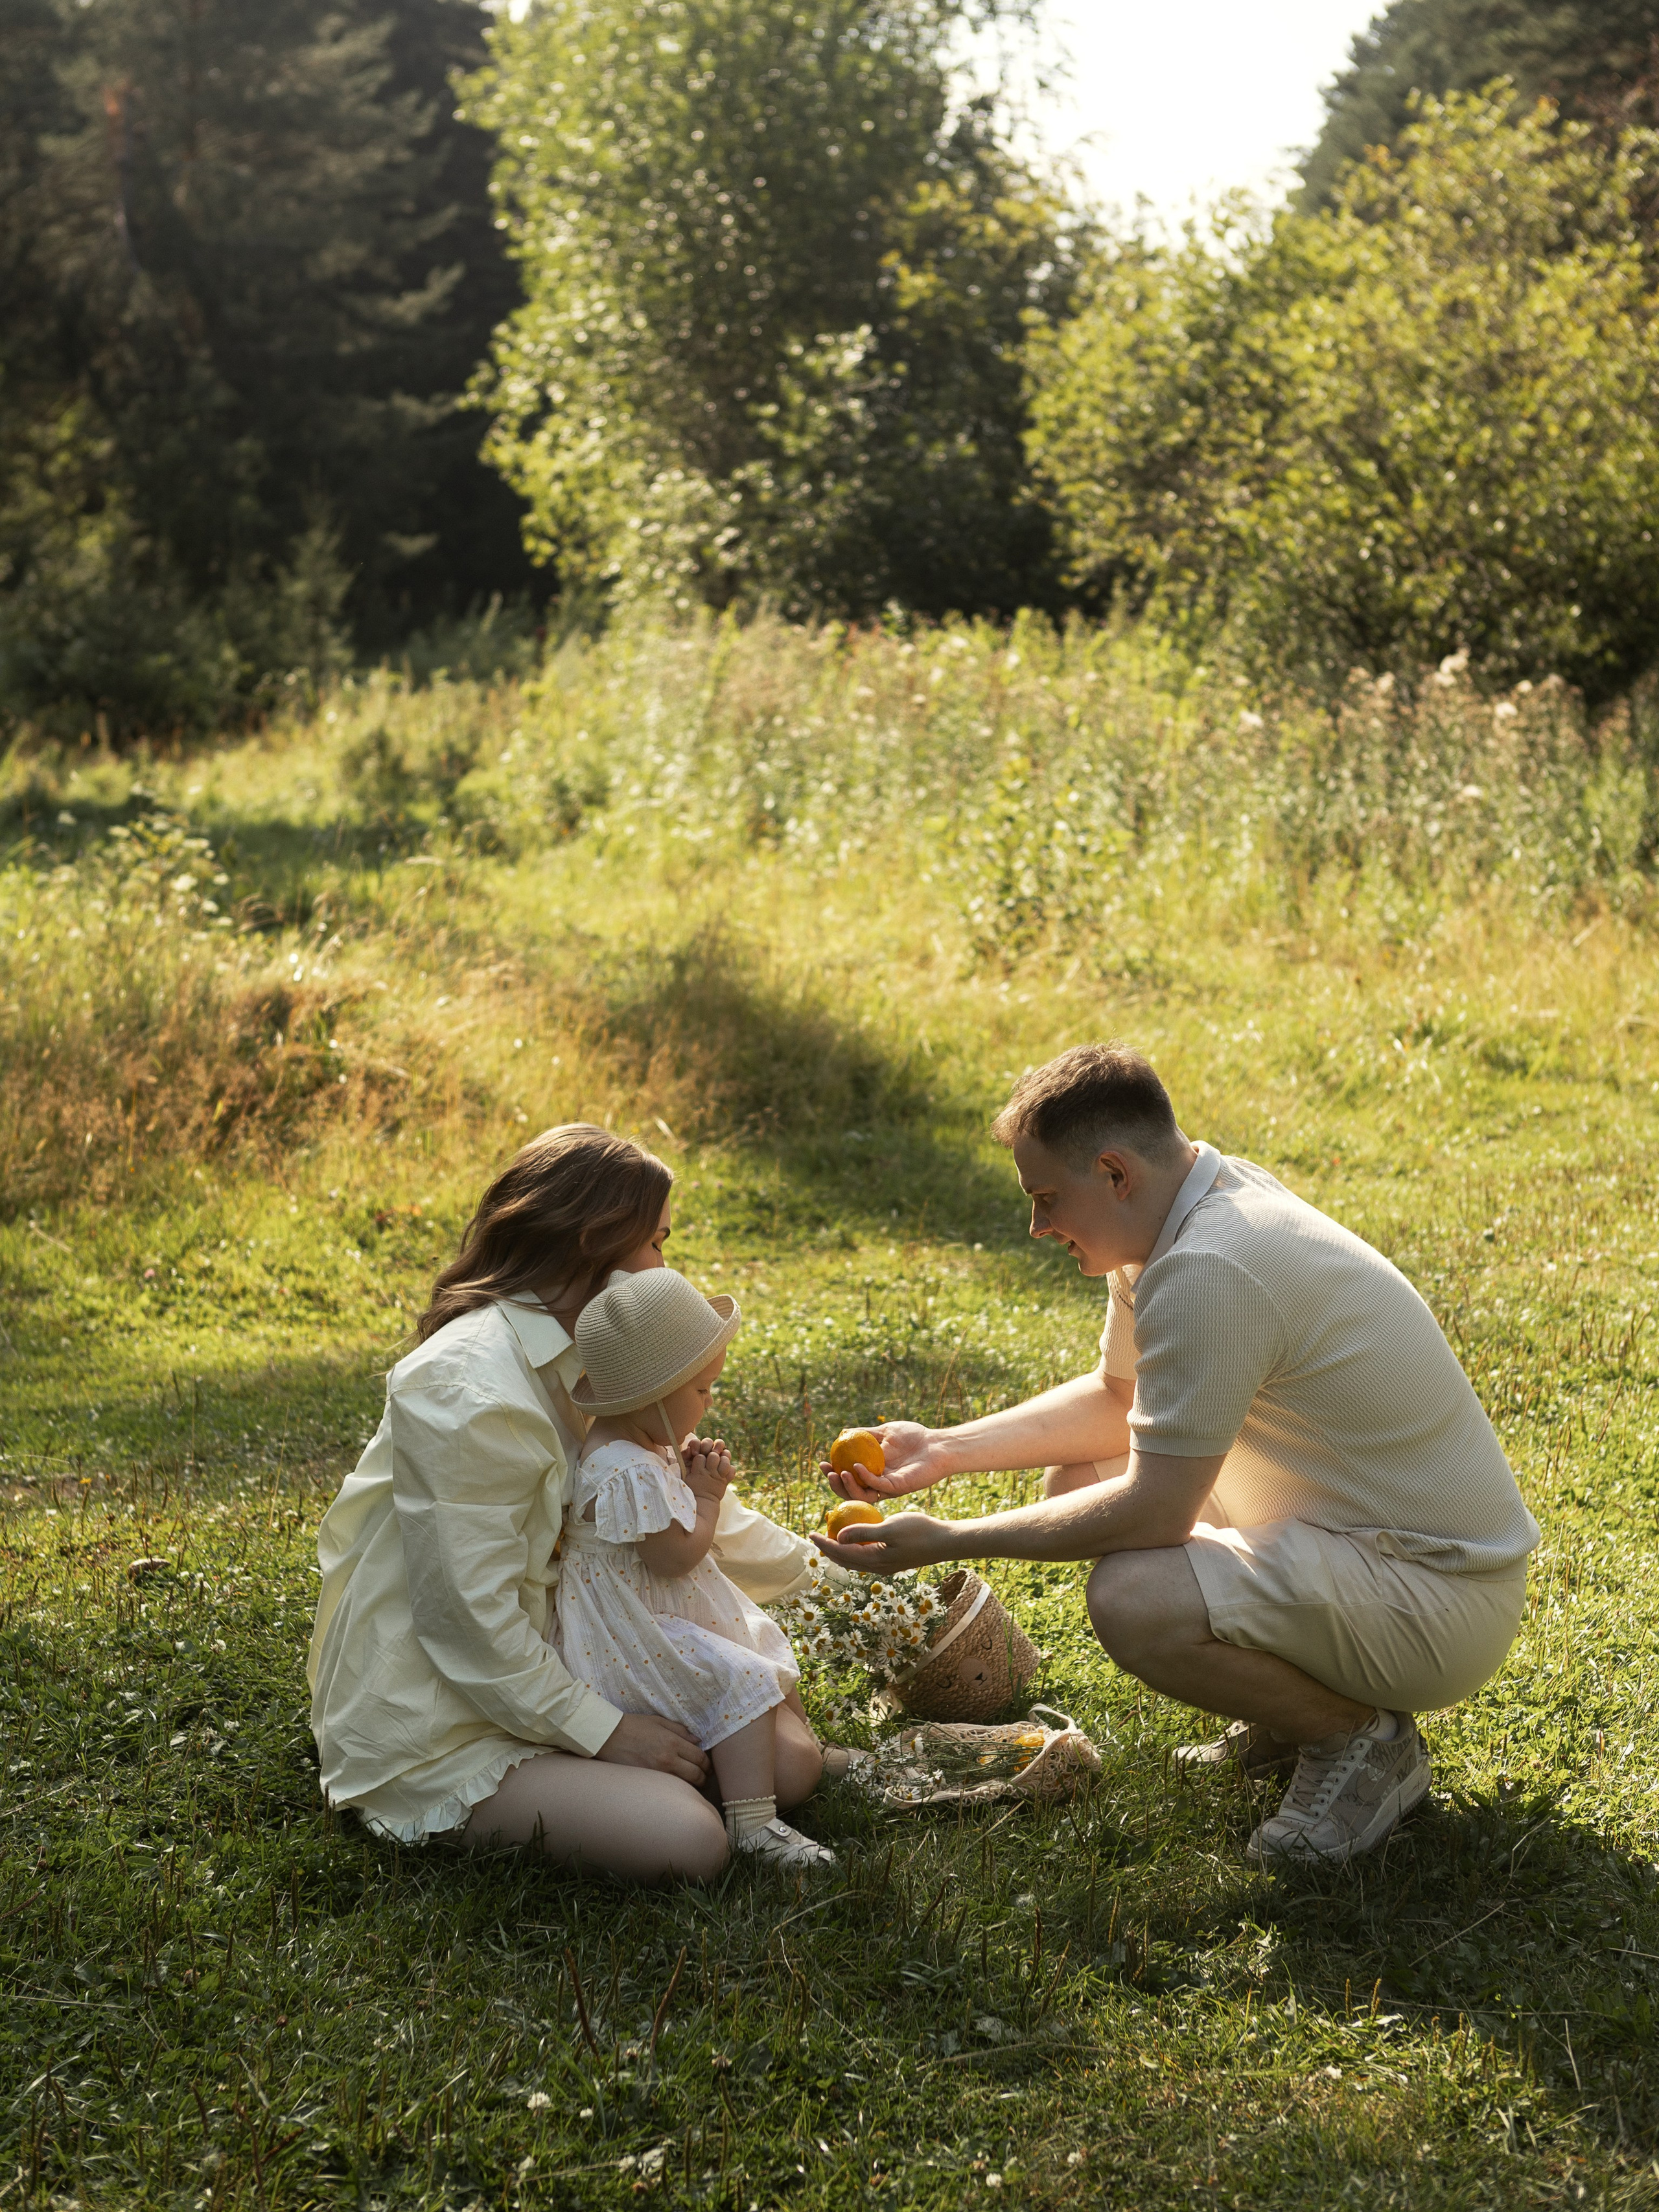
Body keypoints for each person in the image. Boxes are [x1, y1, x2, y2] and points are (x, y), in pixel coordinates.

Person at [815, 1044, 1540, 1867]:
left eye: (1047, 1197)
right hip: (1368, 1545)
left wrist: (948, 1539)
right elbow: (1119, 1401)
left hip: (1437, 1597)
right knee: (1079, 1479)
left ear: (1116, 1173)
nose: (1036, 1224)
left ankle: (1359, 1742)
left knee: (1133, 1594)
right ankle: (1294, 1707)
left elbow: (1154, 1510)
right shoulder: (1183, 1211)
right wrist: (942, 1449)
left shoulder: (1209, 1264)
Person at [307, 1123, 829, 1883]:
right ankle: (500, 1791)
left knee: (793, 1766)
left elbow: (673, 1502)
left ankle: (661, 1765)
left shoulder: (604, 1348)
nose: (664, 1264)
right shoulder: (465, 1386)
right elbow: (465, 1617)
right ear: (595, 1240)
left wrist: (834, 1568)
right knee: (690, 1840)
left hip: (573, 1651)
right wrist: (607, 1730)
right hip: (448, 1714)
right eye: (657, 1241)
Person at [559, 1268, 836, 1870]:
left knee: (754, 1641)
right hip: (637, 1631)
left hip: (657, 1609)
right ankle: (754, 1823)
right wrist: (704, 1498)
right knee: (735, 1673)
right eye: (704, 1390)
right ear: (655, 1394)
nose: (712, 1402)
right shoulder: (624, 1468)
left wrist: (683, 1478)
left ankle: (804, 1755)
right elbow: (673, 1555)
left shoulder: (639, 1447)